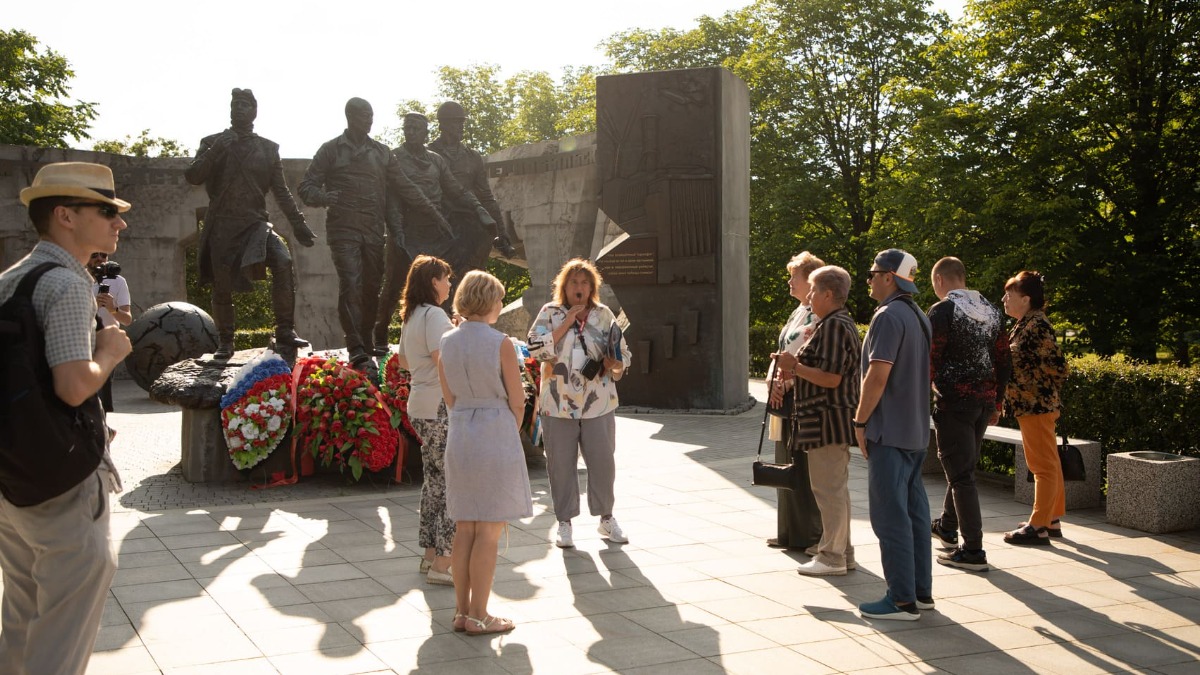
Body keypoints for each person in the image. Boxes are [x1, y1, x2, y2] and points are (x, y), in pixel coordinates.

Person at [0, 162, 134, 674]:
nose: (118, 223)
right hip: (62, 477)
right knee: (63, 622)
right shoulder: (68, 284)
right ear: (64, 216)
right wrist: (111, 350)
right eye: (106, 211)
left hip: (13, 474)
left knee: (23, 611)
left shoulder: (13, 278)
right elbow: (74, 385)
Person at [298, 98, 450, 375]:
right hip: (343, 229)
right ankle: (355, 346)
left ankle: (366, 339)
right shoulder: (331, 150)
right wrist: (323, 196)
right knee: (351, 283)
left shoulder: (381, 153)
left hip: (372, 230)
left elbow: (406, 187)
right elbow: (306, 187)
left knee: (371, 288)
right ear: (349, 116)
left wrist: (435, 215)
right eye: (362, 116)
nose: (368, 121)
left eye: (370, 116)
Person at [184, 88, 317, 360]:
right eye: (235, 104)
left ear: (254, 111)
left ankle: (284, 331)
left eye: (245, 104)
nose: (239, 108)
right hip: (222, 223)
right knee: (222, 284)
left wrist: (298, 223)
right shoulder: (212, 142)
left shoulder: (268, 149)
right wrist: (219, 148)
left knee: (282, 261)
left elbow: (281, 191)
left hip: (256, 223)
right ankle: (225, 341)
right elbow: (194, 175)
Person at [438, 270, 533, 635]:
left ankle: (462, 612)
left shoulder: (447, 341)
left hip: (461, 429)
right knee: (489, 532)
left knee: (464, 528)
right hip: (494, 429)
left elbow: (449, 398)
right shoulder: (501, 343)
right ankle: (480, 614)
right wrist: (510, 425)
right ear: (491, 302)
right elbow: (517, 398)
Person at [527, 258, 631, 548]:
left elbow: (623, 354)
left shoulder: (603, 314)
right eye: (574, 282)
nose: (580, 287)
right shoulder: (550, 312)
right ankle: (564, 522)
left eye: (585, 282)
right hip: (557, 405)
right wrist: (567, 323)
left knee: (603, 463)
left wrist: (616, 365)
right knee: (561, 465)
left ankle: (606, 518)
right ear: (564, 286)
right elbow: (534, 348)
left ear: (592, 287)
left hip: (598, 404)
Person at [854, 248, 933, 621]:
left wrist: (859, 421)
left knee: (891, 518)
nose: (869, 279)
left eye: (873, 273)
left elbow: (878, 374)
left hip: (889, 432)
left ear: (889, 277)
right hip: (916, 431)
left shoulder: (887, 316)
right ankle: (920, 592)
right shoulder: (918, 315)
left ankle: (901, 600)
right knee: (915, 515)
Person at [373, 112, 496, 348]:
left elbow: (456, 190)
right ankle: (379, 335)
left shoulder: (436, 160)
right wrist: (397, 232)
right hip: (407, 231)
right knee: (395, 284)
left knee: (438, 285)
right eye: (407, 128)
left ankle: (442, 335)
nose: (410, 133)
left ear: (426, 132)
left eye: (416, 128)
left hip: (435, 233)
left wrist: (480, 211)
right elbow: (393, 199)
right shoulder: (395, 158)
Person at [775, 266, 862, 576]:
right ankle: (843, 553)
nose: (808, 297)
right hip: (826, 419)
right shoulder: (832, 324)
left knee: (829, 491)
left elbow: (831, 378)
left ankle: (832, 557)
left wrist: (793, 367)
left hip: (827, 420)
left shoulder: (835, 326)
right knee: (833, 489)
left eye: (813, 291)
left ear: (828, 294)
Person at [927, 257, 1012, 571]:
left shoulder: (943, 311)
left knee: (961, 475)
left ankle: (973, 550)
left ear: (939, 281)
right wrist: (998, 402)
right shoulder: (991, 311)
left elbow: (929, 361)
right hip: (985, 400)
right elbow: (1004, 361)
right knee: (963, 467)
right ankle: (947, 526)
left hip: (954, 402)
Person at [396, 255, 457, 585]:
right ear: (433, 281)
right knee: (450, 485)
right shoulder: (434, 315)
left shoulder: (413, 315)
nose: (449, 284)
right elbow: (444, 360)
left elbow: (404, 361)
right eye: (446, 278)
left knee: (434, 482)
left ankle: (430, 555)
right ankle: (442, 564)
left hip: (419, 403)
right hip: (439, 406)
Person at [1001, 271, 1070, 545]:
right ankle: (1051, 519)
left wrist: (1037, 385)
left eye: (1009, 294)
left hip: (1037, 405)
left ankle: (1039, 525)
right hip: (1032, 405)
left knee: (1042, 466)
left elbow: (1060, 368)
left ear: (1026, 299)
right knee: (1047, 462)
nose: (1004, 299)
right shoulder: (1026, 323)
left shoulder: (1036, 326)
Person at [765, 251, 825, 551]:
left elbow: (809, 358)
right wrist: (772, 380)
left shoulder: (818, 317)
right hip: (784, 397)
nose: (789, 281)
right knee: (784, 464)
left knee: (801, 467)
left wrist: (786, 382)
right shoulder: (799, 311)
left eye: (794, 277)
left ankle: (809, 534)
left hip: (800, 398)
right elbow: (782, 349)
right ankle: (788, 531)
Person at [428, 101, 513, 275]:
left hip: (467, 223)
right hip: (437, 221)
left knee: (478, 249)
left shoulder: (473, 157)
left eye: (462, 122)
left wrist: (501, 232)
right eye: (455, 122)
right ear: (442, 124)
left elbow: (487, 197)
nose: (460, 127)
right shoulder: (428, 154)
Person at [90, 251, 132, 412]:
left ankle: (102, 428)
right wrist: (92, 304)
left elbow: (127, 319)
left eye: (104, 255)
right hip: (83, 341)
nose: (100, 259)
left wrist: (112, 309)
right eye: (95, 255)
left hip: (107, 343)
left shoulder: (118, 282)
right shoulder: (79, 279)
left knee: (102, 392)